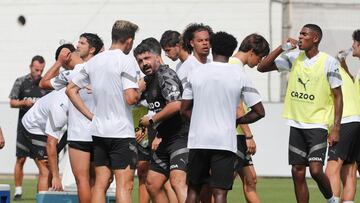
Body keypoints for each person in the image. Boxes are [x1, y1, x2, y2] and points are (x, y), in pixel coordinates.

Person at [257, 24, 343, 203]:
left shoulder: (329, 62)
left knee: (316, 170)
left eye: (305, 34)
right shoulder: (294, 57)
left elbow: (338, 96)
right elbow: (262, 67)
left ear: (315, 39)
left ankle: (331, 200)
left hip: (317, 125)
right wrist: (282, 47)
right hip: (296, 124)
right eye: (300, 34)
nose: (300, 37)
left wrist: (336, 129)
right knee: (297, 171)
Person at [181, 31, 265, 203]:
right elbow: (259, 111)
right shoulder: (239, 75)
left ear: (212, 47)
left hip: (199, 140)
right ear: (232, 50)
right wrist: (236, 121)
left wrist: (198, 121)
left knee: (193, 191)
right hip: (224, 141)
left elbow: (184, 110)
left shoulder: (196, 73)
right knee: (219, 193)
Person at [66, 20, 141, 203]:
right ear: (129, 41)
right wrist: (140, 88)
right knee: (125, 185)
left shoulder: (95, 61)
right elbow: (131, 98)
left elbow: (70, 90)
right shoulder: (126, 61)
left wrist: (91, 116)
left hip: (99, 132)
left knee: (100, 183)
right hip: (121, 133)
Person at [41, 38, 103, 203]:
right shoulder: (101, 68)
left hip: (80, 134)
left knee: (82, 180)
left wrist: (57, 63)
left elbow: (43, 82)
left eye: (81, 43)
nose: (78, 45)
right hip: (101, 131)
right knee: (99, 182)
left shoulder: (70, 73)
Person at [134, 38, 189, 203]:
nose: (144, 63)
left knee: (177, 182)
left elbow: (176, 105)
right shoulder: (150, 79)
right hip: (165, 138)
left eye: (147, 58)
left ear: (158, 57)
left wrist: (151, 120)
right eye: (140, 61)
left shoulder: (166, 75)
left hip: (181, 136)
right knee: (152, 182)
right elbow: (141, 101)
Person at [229, 33, 270, 203]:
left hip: (238, 133)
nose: (260, 62)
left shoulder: (234, 66)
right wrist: (248, 135)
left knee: (250, 179)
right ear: (252, 52)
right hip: (234, 135)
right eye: (260, 57)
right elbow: (237, 106)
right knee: (221, 183)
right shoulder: (233, 69)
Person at [326, 29, 360, 203]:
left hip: (347, 119)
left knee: (332, 169)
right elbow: (352, 82)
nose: (352, 46)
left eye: (355, 43)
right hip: (356, 121)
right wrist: (343, 63)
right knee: (349, 171)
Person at [9, 55, 49, 201]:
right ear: (30, 67)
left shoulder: (45, 83)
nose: (39, 73)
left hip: (39, 132)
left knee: (43, 164)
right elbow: (12, 102)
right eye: (36, 69)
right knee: (20, 159)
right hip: (22, 130)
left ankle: (42, 194)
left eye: (41, 70)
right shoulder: (21, 81)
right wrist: (23, 103)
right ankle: (18, 191)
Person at [20, 86, 68, 192]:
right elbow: (51, 143)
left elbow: (70, 132)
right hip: (32, 127)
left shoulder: (81, 96)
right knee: (46, 170)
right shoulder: (60, 108)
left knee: (53, 166)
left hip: (44, 126)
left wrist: (58, 149)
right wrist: (56, 177)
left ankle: (50, 197)